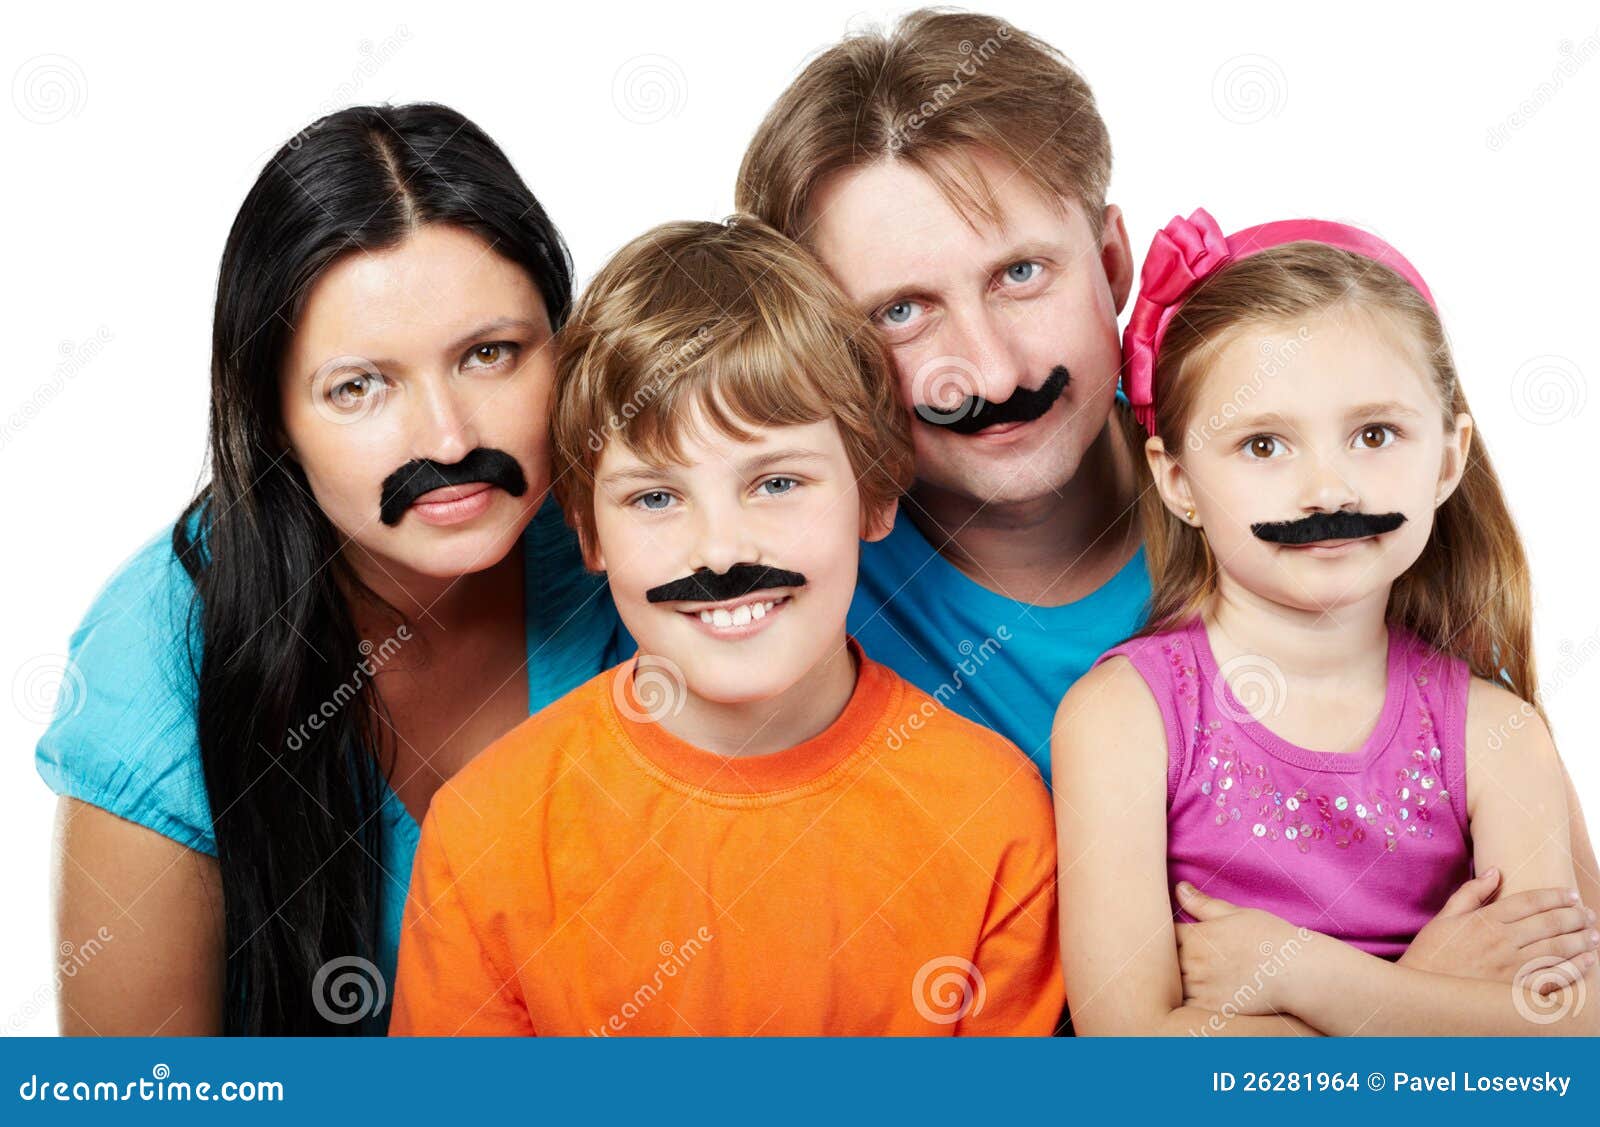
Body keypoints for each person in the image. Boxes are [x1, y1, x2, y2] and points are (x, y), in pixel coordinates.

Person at [35, 103, 628, 1034]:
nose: (448, 436)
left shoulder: (645, 549)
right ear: (271, 419)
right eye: (360, 386)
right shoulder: (158, 650)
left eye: (490, 354)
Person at [389, 218, 1063, 1036]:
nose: (720, 549)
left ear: (877, 492)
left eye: (777, 481)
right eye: (656, 497)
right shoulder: (486, 831)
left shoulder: (994, 815)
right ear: (589, 531)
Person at [1054, 209, 1600, 1034]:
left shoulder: (1499, 735)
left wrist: (1308, 976)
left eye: (1374, 434)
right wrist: (1436, 996)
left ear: (1447, 459)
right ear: (1177, 481)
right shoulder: (1123, 718)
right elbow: (1134, 1056)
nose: (1329, 490)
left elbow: (1564, 1042)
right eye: (1264, 445)